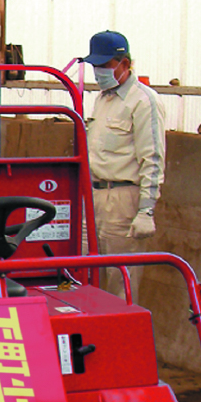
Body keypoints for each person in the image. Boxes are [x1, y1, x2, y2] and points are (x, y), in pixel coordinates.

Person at [82, 30, 166, 301]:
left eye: (105, 66)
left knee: (121, 282)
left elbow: (152, 158)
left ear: (125, 64)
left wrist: (146, 211)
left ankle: (116, 340)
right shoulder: (102, 98)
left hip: (122, 201)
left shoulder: (144, 101)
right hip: (92, 196)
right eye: (95, 66)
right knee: (83, 274)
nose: (99, 72)